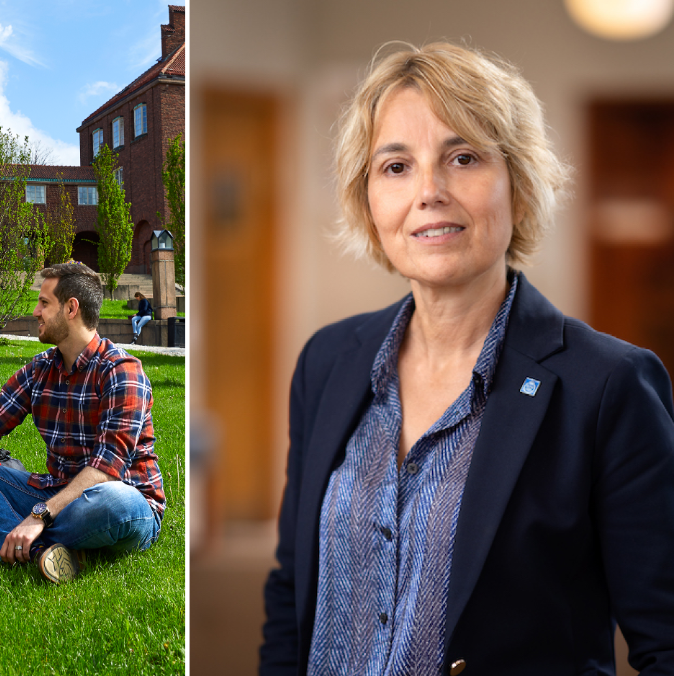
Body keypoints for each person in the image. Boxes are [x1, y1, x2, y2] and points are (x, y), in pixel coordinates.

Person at [260, 42, 674, 675]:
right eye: (395, 166)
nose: (429, 191)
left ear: (518, 181)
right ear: (368, 200)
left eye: (463, 157)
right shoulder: (327, 361)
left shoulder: (610, 386)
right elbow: (292, 591)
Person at [0, 263, 164, 584]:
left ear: (71, 308)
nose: (36, 311)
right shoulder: (41, 368)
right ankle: (41, 551)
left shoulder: (121, 371)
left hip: (126, 501)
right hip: (57, 491)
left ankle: (3, 534)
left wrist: (40, 515)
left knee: (113, 501)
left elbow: (107, 470)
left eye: (44, 303)